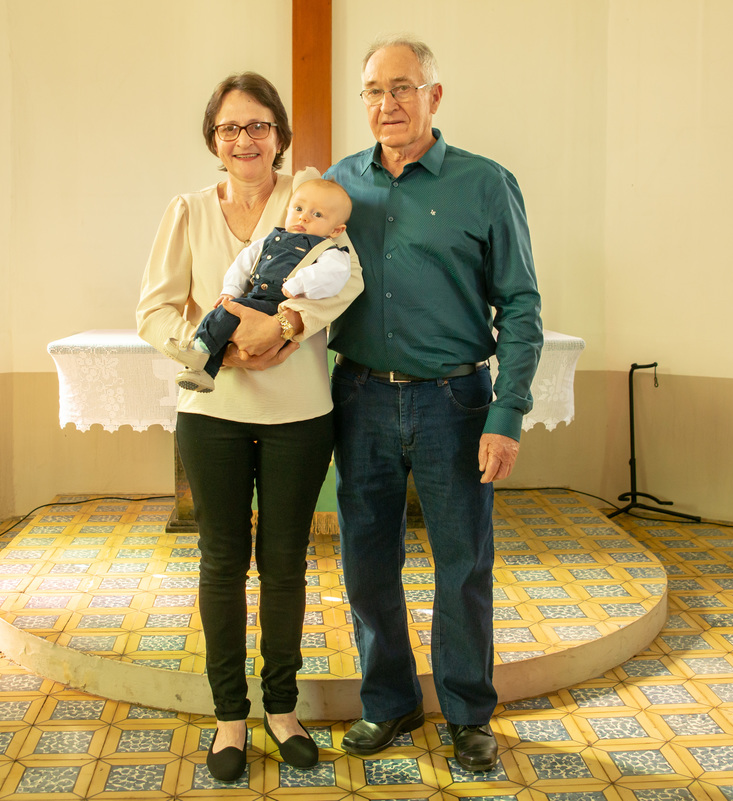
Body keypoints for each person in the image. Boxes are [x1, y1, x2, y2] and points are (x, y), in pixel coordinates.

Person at [135, 72, 362, 782]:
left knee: (287, 562)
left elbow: (347, 277)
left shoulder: (312, 199)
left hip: (299, 414)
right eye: (231, 128)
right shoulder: (188, 210)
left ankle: (283, 707)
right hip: (213, 414)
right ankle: (231, 714)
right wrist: (218, 347)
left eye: (258, 125)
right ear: (213, 139)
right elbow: (154, 310)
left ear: (280, 134)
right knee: (222, 561)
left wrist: (290, 323)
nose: (245, 139)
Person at [325, 37, 542, 773]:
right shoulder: (337, 185)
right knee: (366, 562)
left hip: (455, 400)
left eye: (403, 88)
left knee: (462, 563)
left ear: (434, 96)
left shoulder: (486, 184)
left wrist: (506, 414)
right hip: (358, 397)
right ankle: (386, 701)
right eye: (373, 91)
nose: (386, 104)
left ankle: (467, 713)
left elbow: (520, 306)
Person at [166, 179, 353, 392]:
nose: (304, 217)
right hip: (255, 296)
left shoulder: (330, 251)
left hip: (279, 304)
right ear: (288, 209)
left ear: (337, 230)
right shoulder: (271, 239)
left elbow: (332, 276)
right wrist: (231, 290)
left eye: (317, 214)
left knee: (227, 317)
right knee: (220, 316)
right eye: (298, 209)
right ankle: (205, 372)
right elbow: (243, 263)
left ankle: (199, 349)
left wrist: (299, 284)